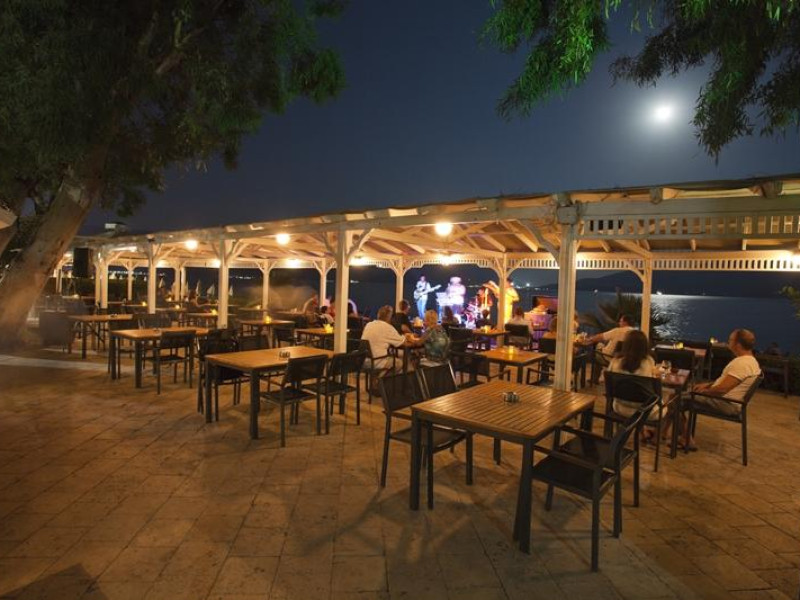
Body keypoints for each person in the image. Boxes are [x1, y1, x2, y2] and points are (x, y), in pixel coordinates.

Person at [690, 328, 761, 418]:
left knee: (678, 397)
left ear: (738, 345)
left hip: (726, 404)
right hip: (726, 402)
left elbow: (722, 390)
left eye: (730, 340)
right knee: (682, 396)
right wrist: (708, 385)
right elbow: (728, 383)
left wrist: (703, 392)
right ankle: (681, 425)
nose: (728, 342)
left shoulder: (742, 363)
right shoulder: (750, 361)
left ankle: (681, 425)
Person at [361, 305, 411, 387]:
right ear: (390, 317)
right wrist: (407, 337)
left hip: (364, 360)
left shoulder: (369, 324)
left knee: (392, 356)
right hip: (377, 361)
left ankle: (377, 380)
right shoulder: (387, 327)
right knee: (399, 363)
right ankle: (379, 382)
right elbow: (403, 342)